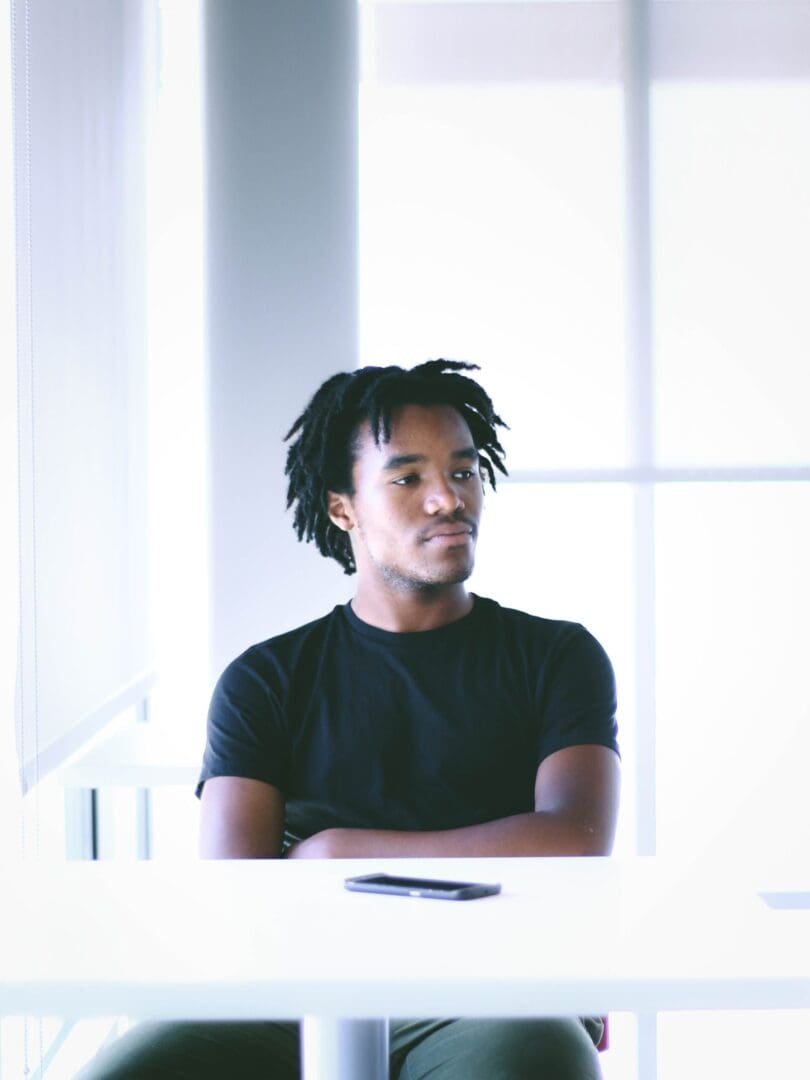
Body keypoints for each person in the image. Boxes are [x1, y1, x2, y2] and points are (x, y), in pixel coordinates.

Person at [80, 360, 620, 1079]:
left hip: (494, 985)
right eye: (408, 478)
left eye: (463, 472)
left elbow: (574, 842)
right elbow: (235, 894)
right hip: (288, 988)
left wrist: (339, 854)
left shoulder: (556, 655)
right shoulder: (265, 680)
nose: (447, 500)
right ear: (343, 509)